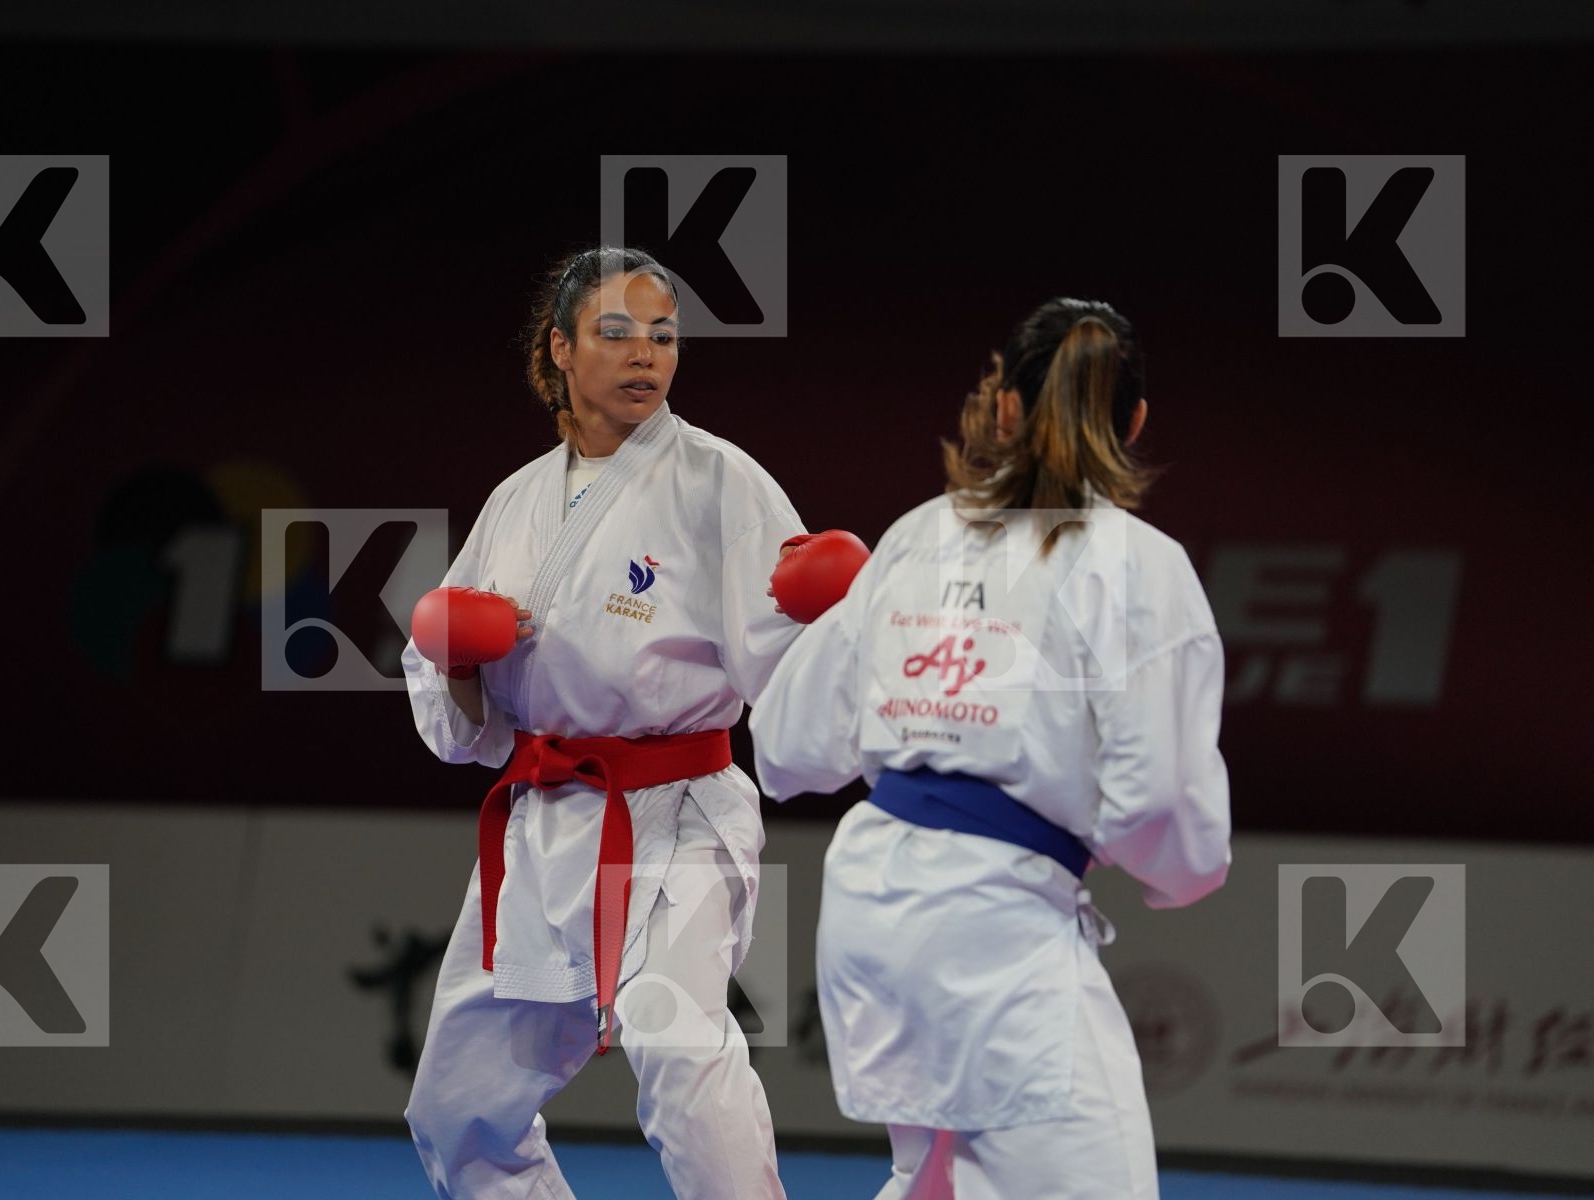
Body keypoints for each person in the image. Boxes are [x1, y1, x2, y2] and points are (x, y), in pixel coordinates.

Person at [750, 298, 1232, 1199]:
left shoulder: (917, 535)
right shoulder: (1139, 562)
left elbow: (785, 744)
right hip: (993, 931)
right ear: (1134, 421)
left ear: (1003, 404)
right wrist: (1181, 877)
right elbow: (1160, 803)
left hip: (872, 908)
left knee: (937, 1175)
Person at [401, 246, 820, 1199]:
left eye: (663, 336)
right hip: (546, 822)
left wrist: (824, 620)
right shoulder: (516, 500)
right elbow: (469, 730)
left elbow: (787, 677)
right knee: (458, 1108)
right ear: (561, 349)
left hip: (676, 811)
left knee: (680, 1053)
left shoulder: (720, 481)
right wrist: (457, 659)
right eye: (617, 333)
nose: (645, 355)